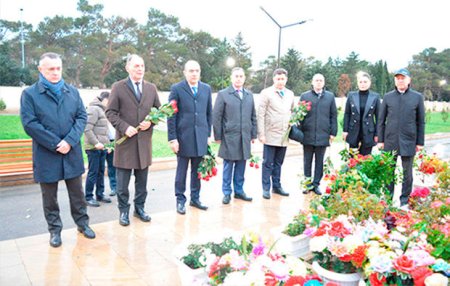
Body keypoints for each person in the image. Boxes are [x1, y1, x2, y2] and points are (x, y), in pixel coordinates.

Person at [20, 52, 95, 248]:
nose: (55, 72)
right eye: (50, 69)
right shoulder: (30, 94)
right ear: (41, 70)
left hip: (71, 152)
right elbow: (30, 124)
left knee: (77, 194)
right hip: (47, 153)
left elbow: (81, 117)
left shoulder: (72, 92)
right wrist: (55, 143)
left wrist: (69, 141)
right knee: (49, 197)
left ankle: (83, 224)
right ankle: (55, 230)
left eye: (58, 68)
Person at [106, 54, 161, 226]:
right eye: (136, 66)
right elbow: (110, 112)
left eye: (142, 66)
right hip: (126, 144)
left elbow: (159, 112)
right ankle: (123, 211)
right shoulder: (118, 87)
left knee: (142, 183)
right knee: (122, 185)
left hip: (144, 144)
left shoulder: (151, 88)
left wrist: (151, 122)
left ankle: (140, 209)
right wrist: (124, 127)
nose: (140, 69)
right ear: (128, 68)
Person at [167, 60, 213, 215]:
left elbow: (209, 113)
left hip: (200, 137)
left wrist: (207, 135)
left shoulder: (206, 89)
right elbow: (171, 115)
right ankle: (180, 200)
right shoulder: (177, 89)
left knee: (197, 171)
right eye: (191, 71)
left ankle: (195, 198)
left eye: (197, 71)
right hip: (183, 137)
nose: (194, 74)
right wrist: (173, 138)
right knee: (181, 171)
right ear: (185, 72)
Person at [377, 68, 425, 208]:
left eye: (403, 78)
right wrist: (380, 140)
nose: (400, 80)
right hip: (390, 140)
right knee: (388, 172)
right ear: (395, 81)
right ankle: (387, 198)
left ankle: (404, 200)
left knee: (407, 174)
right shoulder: (388, 97)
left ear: (409, 80)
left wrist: (420, 142)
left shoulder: (417, 97)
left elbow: (421, 121)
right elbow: (381, 120)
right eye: (398, 78)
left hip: (409, 141)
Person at [213, 67, 257, 204]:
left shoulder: (249, 95)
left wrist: (253, 134)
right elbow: (217, 117)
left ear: (244, 78)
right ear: (231, 78)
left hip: (244, 136)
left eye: (241, 76)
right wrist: (218, 136)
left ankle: (239, 191)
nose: (239, 78)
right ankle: (226, 192)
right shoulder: (223, 94)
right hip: (229, 137)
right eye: (236, 76)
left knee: (241, 165)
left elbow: (253, 116)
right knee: (228, 166)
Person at [257, 68, 294, 199]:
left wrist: (293, 122)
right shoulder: (266, 93)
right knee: (268, 162)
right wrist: (261, 134)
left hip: (284, 135)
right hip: (270, 134)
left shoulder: (290, 94)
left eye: (282, 79)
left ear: (286, 79)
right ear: (274, 79)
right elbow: (260, 114)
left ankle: (277, 186)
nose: (280, 81)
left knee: (279, 162)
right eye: (278, 79)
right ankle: (266, 187)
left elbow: (293, 111)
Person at [300, 73, 338, 195]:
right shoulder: (305, 96)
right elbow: (300, 115)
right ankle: (307, 184)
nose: (318, 82)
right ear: (312, 82)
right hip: (308, 134)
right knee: (307, 160)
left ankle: (316, 184)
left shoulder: (330, 97)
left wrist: (333, 132)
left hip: (323, 134)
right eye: (316, 80)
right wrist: (300, 132)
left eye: (321, 80)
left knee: (319, 161)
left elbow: (333, 115)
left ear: (324, 82)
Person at [83, 91, 112, 207]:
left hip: (102, 147)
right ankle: (88, 196)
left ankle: (100, 194)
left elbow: (104, 131)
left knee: (100, 172)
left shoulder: (102, 110)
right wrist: (96, 143)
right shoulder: (93, 109)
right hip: (93, 147)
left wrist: (107, 145)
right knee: (93, 172)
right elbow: (87, 129)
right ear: (105, 99)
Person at [343, 72, 381, 155]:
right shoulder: (351, 95)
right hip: (353, 132)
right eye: (360, 82)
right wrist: (345, 130)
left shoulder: (375, 97)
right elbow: (347, 114)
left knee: (366, 161)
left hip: (368, 133)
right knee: (353, 160)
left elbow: (379, 117)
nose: (362, 84)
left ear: (369, 83)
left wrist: (377, 134)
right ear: (357, 83)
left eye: (365, 82)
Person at [106, 120, 117, 196]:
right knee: (111, 166)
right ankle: (114, 187)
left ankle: (120, 187)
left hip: (119, 141)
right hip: (108, 142)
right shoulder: (103, 120)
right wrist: (108, 145)